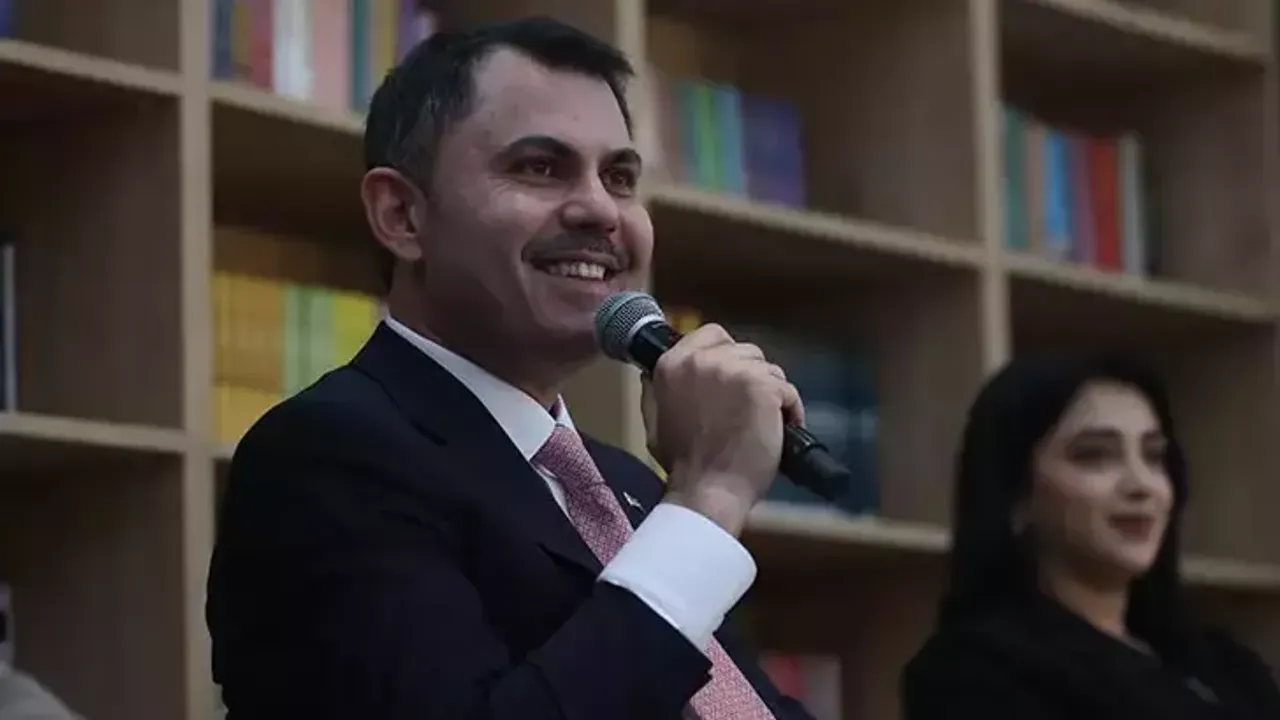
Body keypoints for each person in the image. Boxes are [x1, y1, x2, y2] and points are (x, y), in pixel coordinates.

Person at [206, 15, 815, 720]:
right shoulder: (325, 457)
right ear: (402, 215)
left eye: (620, 177)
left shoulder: (628, 487)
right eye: (540, 167)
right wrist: (709, 497)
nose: (600, 209)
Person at [900, 354, 1280, 719]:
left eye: (1153, 456)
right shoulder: (971, 672)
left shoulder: (1225, 664)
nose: (1140, 485)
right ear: (1016, 497)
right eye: (1095, 456)